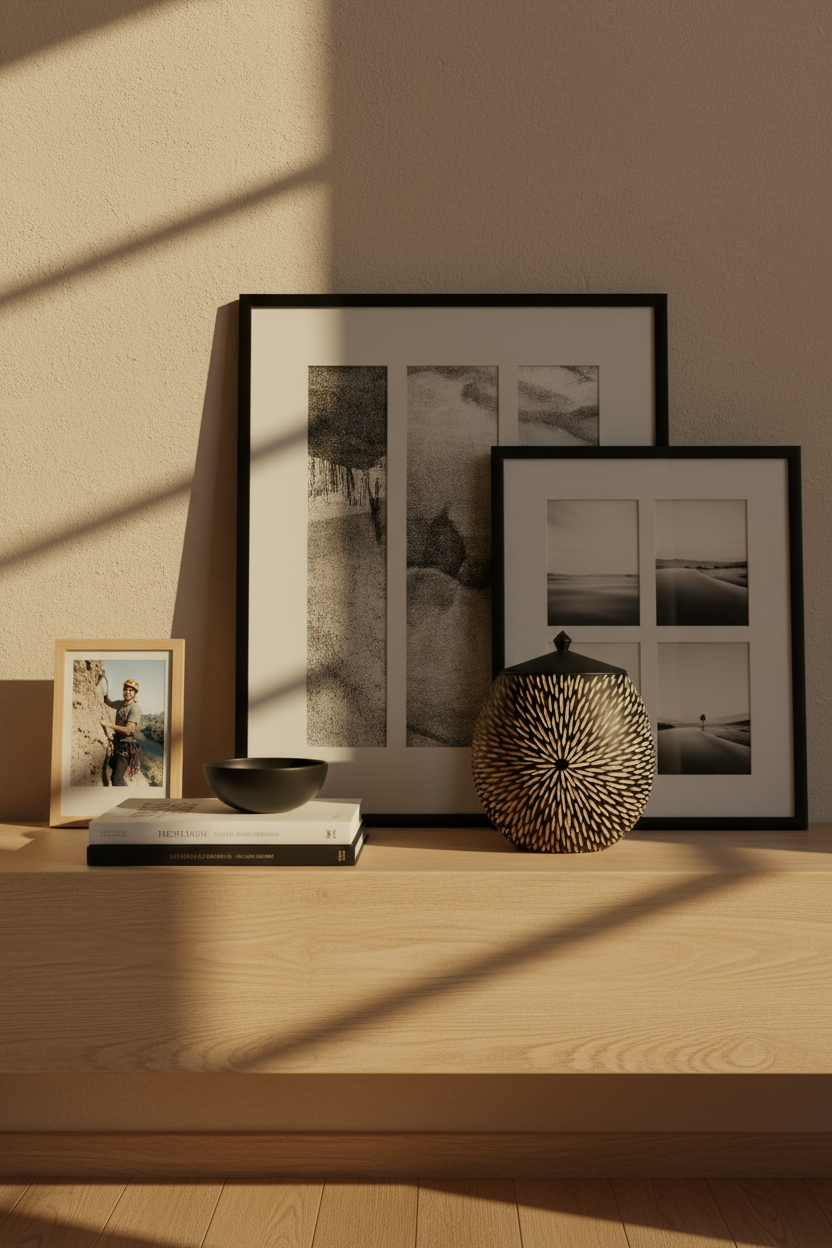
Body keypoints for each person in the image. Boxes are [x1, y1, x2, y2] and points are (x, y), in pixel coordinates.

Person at [101, 678, 142, 786]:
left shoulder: (135, 709)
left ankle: (128, 799)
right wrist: (102, 687)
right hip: (118, 744)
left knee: (117, 779)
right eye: (126, 690)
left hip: (126, 747)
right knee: (113, 768)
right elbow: (108, 702)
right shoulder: (120, 704)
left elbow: (128, 730)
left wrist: (108, 725)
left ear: (135, 693)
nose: (127, 692)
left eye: (131, 690)